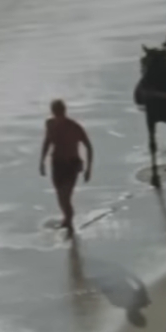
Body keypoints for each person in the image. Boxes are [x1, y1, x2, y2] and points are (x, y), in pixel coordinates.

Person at [39, 100, 93, 235]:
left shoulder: (74, 127)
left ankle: (69, 223)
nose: (58, 116)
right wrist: (42, 161)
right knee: (60, 195)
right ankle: (67, 219)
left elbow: (89, 146)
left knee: (65, 196)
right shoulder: (50, 124)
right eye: (56, 113)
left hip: (71, 164)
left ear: (64, 112)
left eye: (60, 113)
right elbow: (47, 141)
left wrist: (88, 169)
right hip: (56, 164)